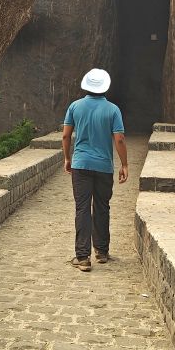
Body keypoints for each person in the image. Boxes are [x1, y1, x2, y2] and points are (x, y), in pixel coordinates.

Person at [62, 68, 128, 272]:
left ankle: (82, 258)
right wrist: (124, 164)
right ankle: (101, 251)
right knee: (102, 206)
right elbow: (119, 138)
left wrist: (67, 158)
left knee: (82, 208)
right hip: (104, 167)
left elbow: (66, 136)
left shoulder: (75, 106)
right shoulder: (113, 109)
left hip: (80, 164)